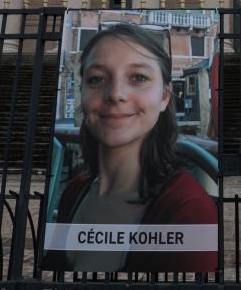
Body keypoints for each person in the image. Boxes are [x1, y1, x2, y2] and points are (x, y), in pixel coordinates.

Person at [44, 23, 217, 273]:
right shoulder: (75, 190)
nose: (116, 94)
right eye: (97, 79)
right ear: (82, 94)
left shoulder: (189, 210)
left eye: (138, 78)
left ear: (165, 97)